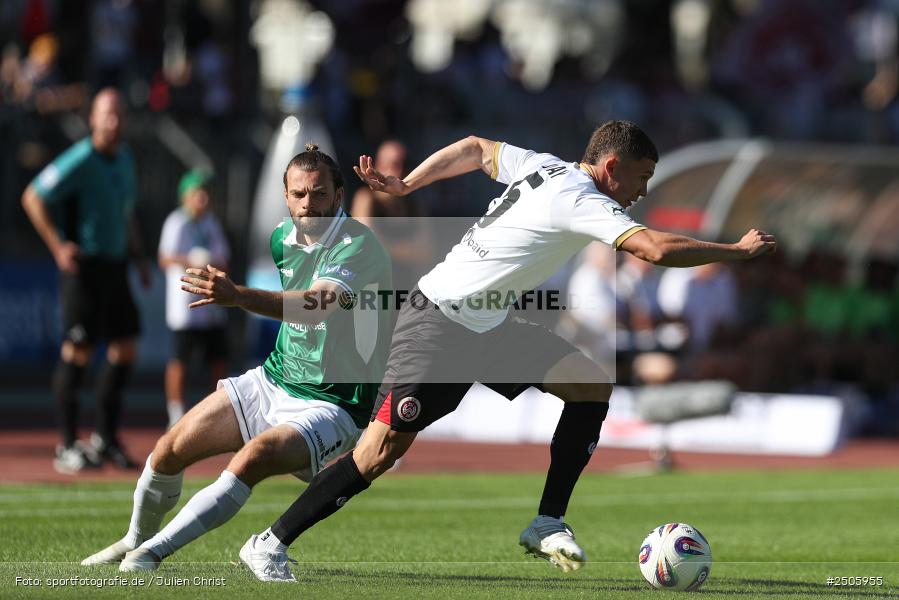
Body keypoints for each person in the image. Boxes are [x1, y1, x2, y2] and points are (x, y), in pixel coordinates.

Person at [239, 120, 777, 582]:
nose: (642, 190)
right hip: (437, 324)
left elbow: (476, 148)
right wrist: (734, 250)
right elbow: (654, 248)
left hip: (486, 325)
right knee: (377, 454)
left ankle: (547, 522)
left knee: (590, 382)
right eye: (642, 177)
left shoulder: (543, 165)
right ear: (612, 167)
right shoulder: (582, 198)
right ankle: (269, 541)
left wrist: (407, 183)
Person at [79, 144, 393, 577]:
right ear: (285, 197)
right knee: (169, 449)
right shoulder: (282, 238)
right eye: (299, 194)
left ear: (338, 196)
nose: (309, 205)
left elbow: (316, 305)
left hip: (335, 402)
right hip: (275, 379)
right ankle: (133, 539)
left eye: (319, 193)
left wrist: (238, 296)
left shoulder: (358, 244)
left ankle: (149, 557)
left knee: (252, 457)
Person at [21, 88, 148, 474]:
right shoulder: (80, 158)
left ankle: (105, 438)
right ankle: (65, 444)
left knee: (125, 348)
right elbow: (32, 197)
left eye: (119, 114)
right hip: (84, 268)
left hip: (115, 266)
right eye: (107, 114)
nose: (114, 121)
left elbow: (126, 212)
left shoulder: (125, 158)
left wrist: (139, 256)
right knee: (78, 351)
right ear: (92, 118)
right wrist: (58, 246)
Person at [158, 170, 231, 428]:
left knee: (218, 361)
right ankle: (175, 414)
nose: (202, 197)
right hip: (185, 309)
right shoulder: (176, 222)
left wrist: (209, 262)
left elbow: (223, 259)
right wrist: (190, 260)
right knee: (180, 361)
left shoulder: (211, 223)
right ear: (185, 196)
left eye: (204, 192)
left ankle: (215, 413)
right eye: (196, 192)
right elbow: (165, 258)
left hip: (211, 306)